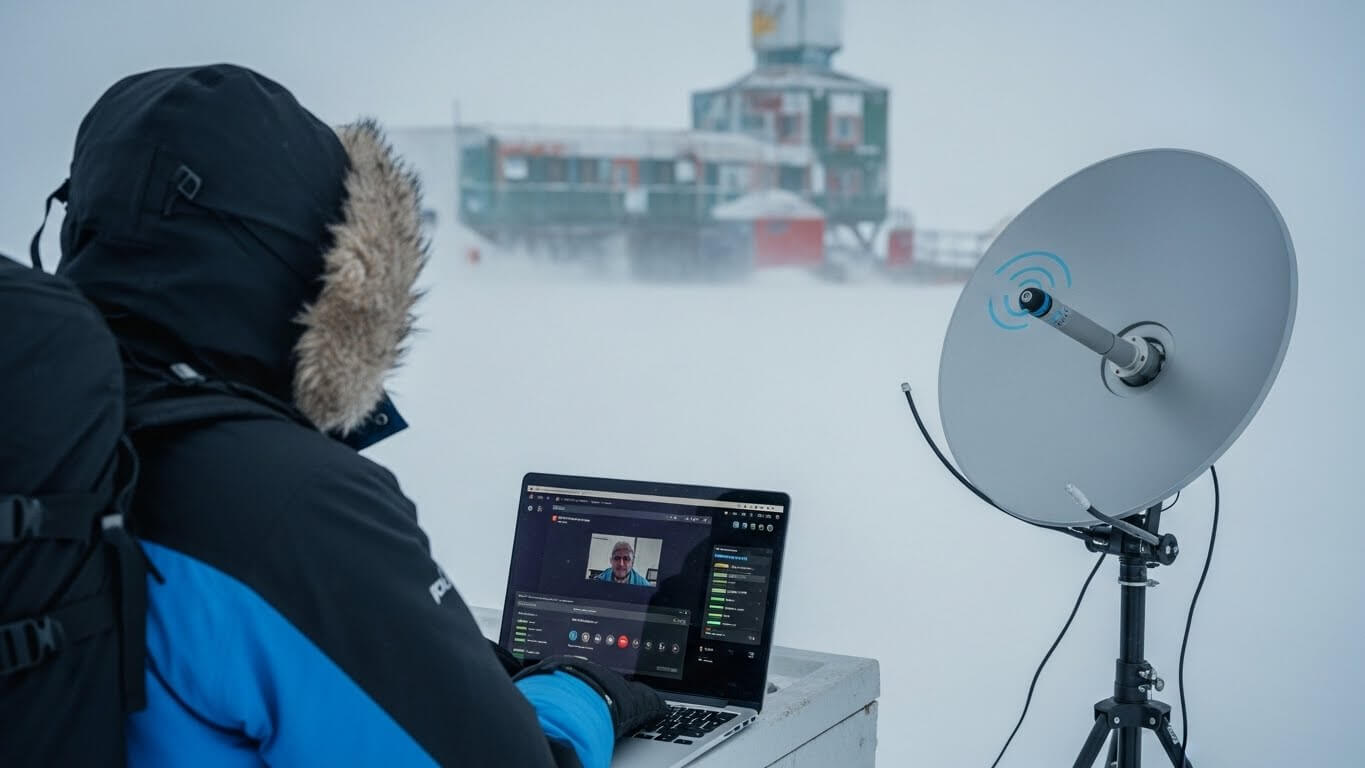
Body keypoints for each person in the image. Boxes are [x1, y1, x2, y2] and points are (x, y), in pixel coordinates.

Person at [46, 64, 666, 767]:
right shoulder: (283, 505)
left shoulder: (43, 434)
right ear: (327, 265)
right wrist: (582, 692)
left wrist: (423, 649)